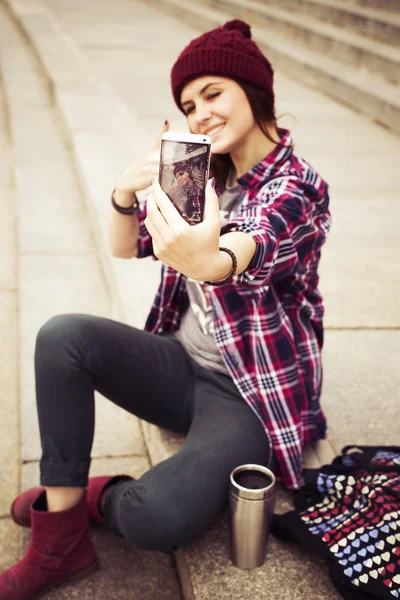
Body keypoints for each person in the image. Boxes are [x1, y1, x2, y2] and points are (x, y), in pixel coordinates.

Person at [0, 18, 331, 599]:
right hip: (180, 366)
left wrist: (212, 258)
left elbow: (255, 240)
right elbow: (126, 246)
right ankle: (61, 540)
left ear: (254, 92)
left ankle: (95, 497)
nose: (198, 114)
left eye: (212, 94)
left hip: (248, 395)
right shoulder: (200, 174)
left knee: (153, 519)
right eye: (187, 104)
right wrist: (125, 194)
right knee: (62, 336)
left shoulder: (298, 188)